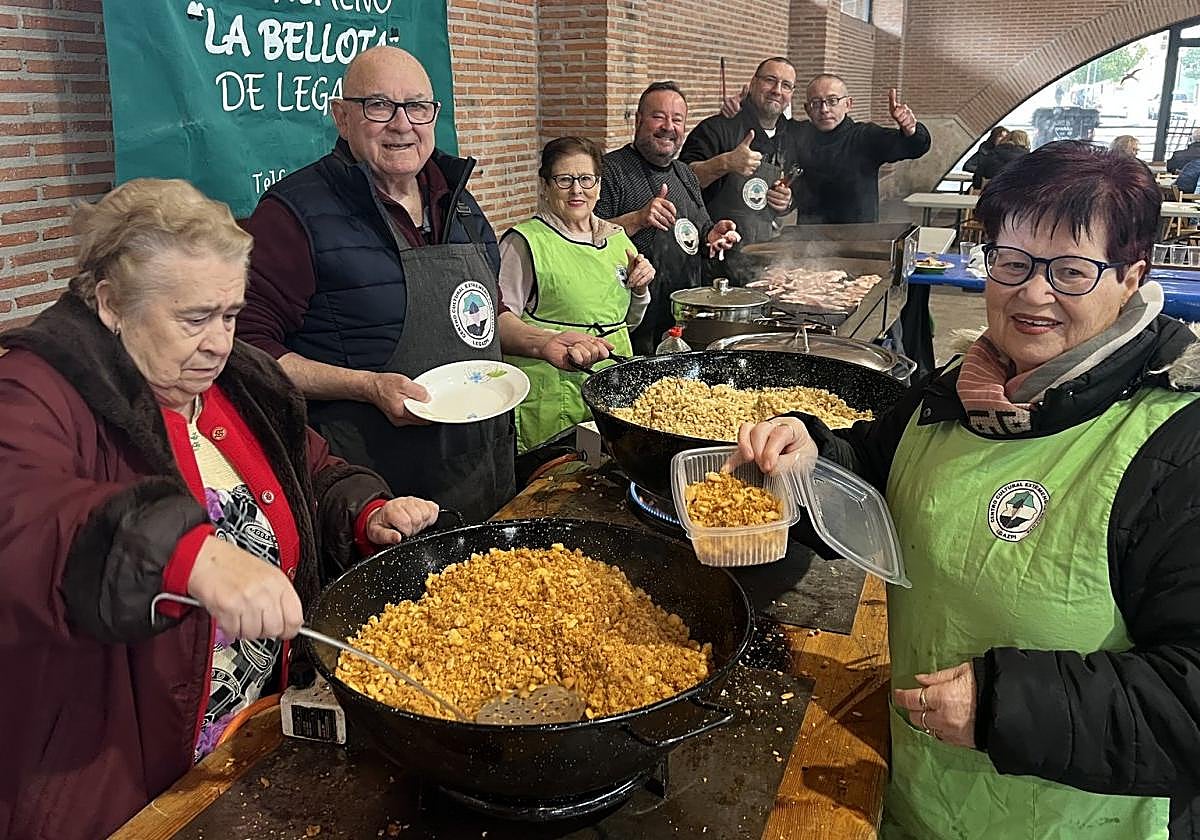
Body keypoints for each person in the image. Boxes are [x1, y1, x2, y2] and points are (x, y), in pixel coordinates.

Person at [738, 141, 1200, 838]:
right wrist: (810, 457)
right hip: (908, 794)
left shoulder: (1175, 444)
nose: (1033, 294)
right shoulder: (963, 387)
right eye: (1012, 262)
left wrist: (1005, 706)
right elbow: (873, 475)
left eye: (1071, 271)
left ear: (1131, 276)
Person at [0, 179, 442, 840]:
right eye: (194, 318)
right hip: (118, 774)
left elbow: (309, 468)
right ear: (111, 304)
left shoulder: (240, 381)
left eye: (231, 315)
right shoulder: (38, 388)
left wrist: (363, 509)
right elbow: (22, 514)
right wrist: (188, 554)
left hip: (251, 736)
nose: (219, 342)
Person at [237, 46, 514, 523]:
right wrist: (366, 386)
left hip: (482, 467)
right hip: (372, 491)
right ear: (342, 117)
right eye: (379, 106)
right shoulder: (292, 213)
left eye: (417, 106)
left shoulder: (458, 201)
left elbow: (487, 313)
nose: (402, 124)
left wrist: (544, 341)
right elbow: (248, 350)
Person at [498, 137, 656, 453]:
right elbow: (499, 328)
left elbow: (625, 323)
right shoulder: (525, 243)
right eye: (564, 180)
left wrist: (640, 290)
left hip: (612, 386)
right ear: (545, 186)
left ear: (599, 184)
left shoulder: (617, 239)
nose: (576, 190)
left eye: (586, 179)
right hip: (553, 396)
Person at [597, 81, 740, 353]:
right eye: (658, 117)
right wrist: (637, 219)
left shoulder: (684, 174)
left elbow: (699, 231)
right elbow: (585, 238)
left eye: (677, 120)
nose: (668, 126)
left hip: (683, 322)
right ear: (638, 120)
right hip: (632, 324)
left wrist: (713, 235)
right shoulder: (610, 170)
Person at [678, 57, 803, 284]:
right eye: (770, 80)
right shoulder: (717, 128)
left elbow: (798, 185)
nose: (777, 90)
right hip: (714, 260)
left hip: (765, 262)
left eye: (786, 85)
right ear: (753, 84)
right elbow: (682, 181)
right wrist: (725, 162)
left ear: (791, 94)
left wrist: (787, 202)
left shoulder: (793, 135)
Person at [788, 74, 931, 224]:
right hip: (808, 233)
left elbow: (915, 147)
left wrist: (910, 130)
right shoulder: (799, 135)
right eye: (816, 103)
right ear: (807, 109)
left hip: (859, 233)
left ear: (848, 104)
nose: (824, 109)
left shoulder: (864, 136)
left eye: (832, 101)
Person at [964, 126, 1008, 190]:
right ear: (994, 137)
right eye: (1000, 136)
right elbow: (968, 166)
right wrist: (983, 170)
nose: (1003, 139)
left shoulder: (1007, 153)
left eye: (1005, 137)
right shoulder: (984, 150)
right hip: (982, 184)